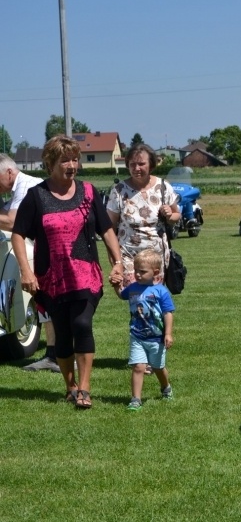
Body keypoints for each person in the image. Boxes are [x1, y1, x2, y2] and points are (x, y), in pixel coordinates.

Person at [11, 135, 124, 409]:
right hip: (51, 277)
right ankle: (70, 386)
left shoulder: (88, 192)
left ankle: (85, 388)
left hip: (85, 273)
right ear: (51, 163)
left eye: (75, 159)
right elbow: (18, 234)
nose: (72, 165)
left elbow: (106, 229)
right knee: (62, 334)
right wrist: (26, 272)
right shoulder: (36, 196)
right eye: (65, 160)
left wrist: (118, 262)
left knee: (82, 324)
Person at [0, 154, 59, 372]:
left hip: (53, 253)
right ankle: (53, 355)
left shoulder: (25, 186)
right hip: (44, 251)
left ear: (8, 173)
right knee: (45, 305)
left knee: (54, 304)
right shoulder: (19, 189)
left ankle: (61, 355)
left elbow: (12, 222)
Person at [106, 143, 180, 288]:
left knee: (156, 299)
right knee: (136, 298)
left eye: (141, 164)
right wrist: (115, 260)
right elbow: (109, 228)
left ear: (151, 165)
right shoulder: (119, 191)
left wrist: (170, 215)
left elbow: (177, 215)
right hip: (128, 256)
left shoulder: (163, 187)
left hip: (156, 259)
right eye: (132, 164)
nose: (136, 168)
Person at [112, 249, 175, 412]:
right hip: (137, 336)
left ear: (154, 273)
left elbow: (168, 313)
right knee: (138, 367)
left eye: (142, 271)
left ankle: (166, 387)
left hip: (156, 338)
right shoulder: (133, 288)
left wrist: (168, 333)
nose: (138, 274)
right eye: (136, 270)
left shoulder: (161, 291)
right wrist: (116, 286)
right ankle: (136, 399)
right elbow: (122, 295)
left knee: (158, 367)